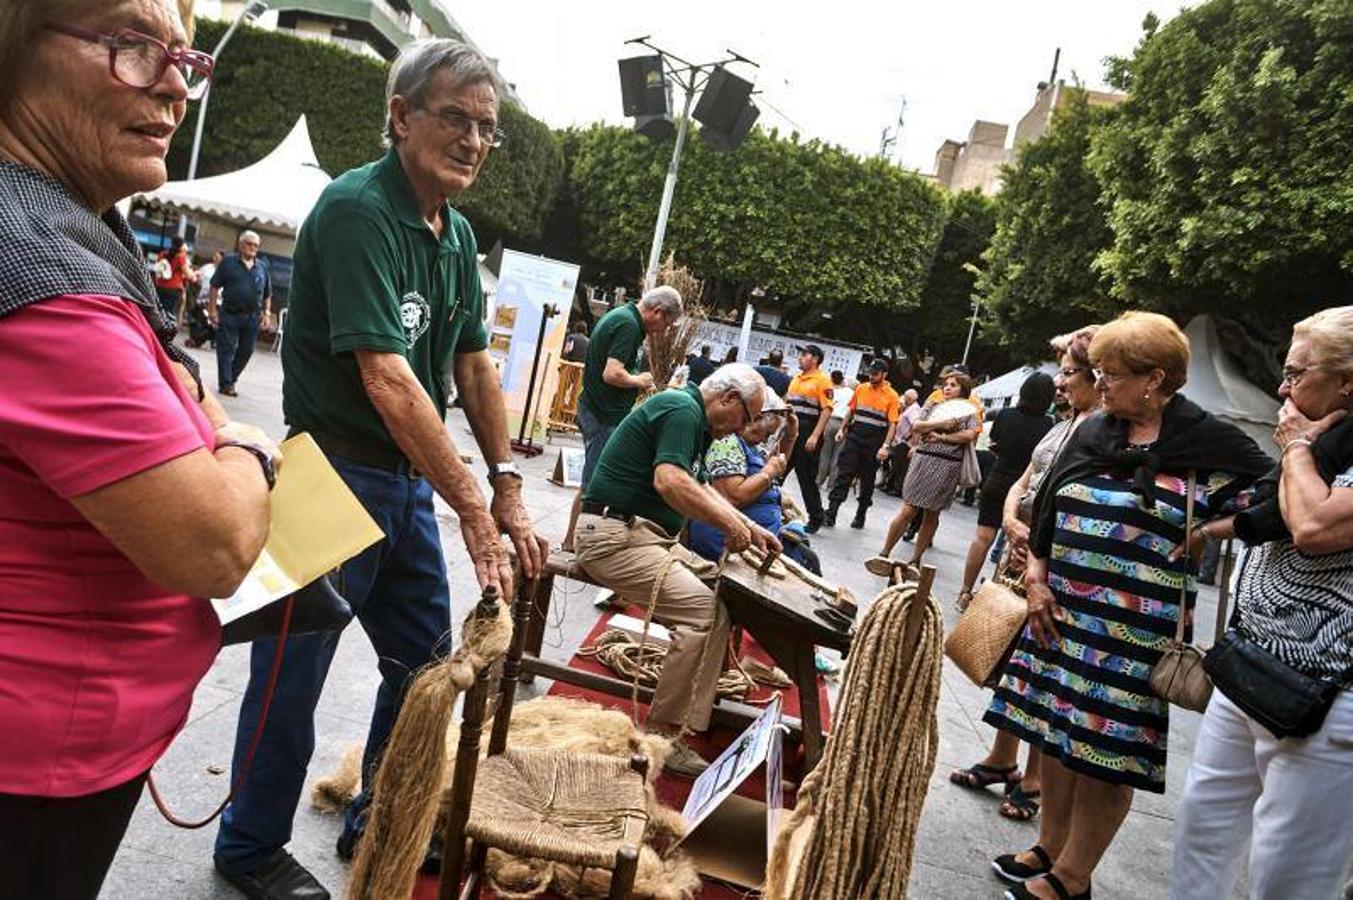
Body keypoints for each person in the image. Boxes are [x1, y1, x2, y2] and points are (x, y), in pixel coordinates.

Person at [213, 39, 548, 899]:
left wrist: (507, 483)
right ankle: (247, 847)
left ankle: (381, 814)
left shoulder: (456, 230)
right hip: (329, 473)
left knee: (427, 665)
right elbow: (387, 376)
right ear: (400, 116)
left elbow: (472, 366)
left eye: (488, 128)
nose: (473, 140)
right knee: (291, 678)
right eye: (455, 119)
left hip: (401, 484)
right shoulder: (359, 208)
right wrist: (473, 507)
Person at [0, 4, 277, 898]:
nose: (172, 84)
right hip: (36, 756)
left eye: (182, 57)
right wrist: (247, 455)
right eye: (131, 46)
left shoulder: (65, 220)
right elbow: (212, 543)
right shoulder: (34, 260)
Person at [984, 313, 1270, 900]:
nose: (1100, 383)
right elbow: (1048, 514)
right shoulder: (1095, 432)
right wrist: (1037, 581)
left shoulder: (1207, 442)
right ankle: (1050, 845)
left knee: (1104, 754)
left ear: (1155, 378)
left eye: (1111, 374)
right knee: (1058, 736)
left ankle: (1073, 876)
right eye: (1098, 371)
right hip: (1058, 616)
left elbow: (1271, 496)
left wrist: (1212, 528)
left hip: (1131, 635)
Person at [1172, 306, 1353, 900]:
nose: (1283, 386)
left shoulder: (1308, 441)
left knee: (1288, 875)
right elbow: (1275, 515)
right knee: (1203, 825)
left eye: (1298, 373)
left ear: (1347, 381)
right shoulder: (1328, 439)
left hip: (1329, 695)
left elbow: (1315, 527)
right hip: (1252, 662)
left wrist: (1297, 448)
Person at [574, 364, 781, 776]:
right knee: (705, 615)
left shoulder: (692, 417)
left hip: (641, 536)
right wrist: (731, 525)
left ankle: (692, 712)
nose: (744, 429)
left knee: (723, 595)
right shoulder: (682, 410)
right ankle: (662, 735)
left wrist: (751, 528)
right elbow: (669, 481)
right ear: (726, 399)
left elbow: (699, 486)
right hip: (614, 537)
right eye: (746, 417)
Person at [948, 327, 1100, 823]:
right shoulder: (1063, 423)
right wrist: (1012, 521)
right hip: (1019, 548)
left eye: (1070, 371)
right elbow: (1025, 479)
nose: (1060, 381)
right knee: (1009, 659)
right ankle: (1002, 758)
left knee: (1041, 666)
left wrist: (1033, 542)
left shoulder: (1101, 429)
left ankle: (1034, 777)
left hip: (1049, 560)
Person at [563, 285, 683, 549]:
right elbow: (612, 373)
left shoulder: (625, 318)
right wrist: (639, 380)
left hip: (601, 411)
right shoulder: (628, 324)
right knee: (592, 484)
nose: (664, 330)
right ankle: (572, 542)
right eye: (668, 323)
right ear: (658, 312)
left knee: (596, 481)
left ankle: (578, 539)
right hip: (602, 414)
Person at [954, 372, 1054, 608]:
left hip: (997, 479)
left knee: (982, 539)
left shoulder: (1006, 415)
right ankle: (995, 601)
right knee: (1014, 547)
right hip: (1025, 489)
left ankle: (965, 592)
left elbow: (995, 442)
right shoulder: (1049, 425)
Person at [866, 372, 980, 574]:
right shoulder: (933, 405)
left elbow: (970, 434)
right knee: (908, 509)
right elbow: (917, 425)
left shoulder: (969, 411)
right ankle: (884, 553)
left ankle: (915, 560)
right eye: (946, 384)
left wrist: (943, 438)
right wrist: (942, 425)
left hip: (948, 465)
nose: (947, 388)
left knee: (932, 513)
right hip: (923, 459)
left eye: (953, 385)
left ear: (963, 389)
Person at [688, 387, 790, 560]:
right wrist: (769, 472)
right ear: (754, 420)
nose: (765, 441)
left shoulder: (751, 446)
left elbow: (777, 464)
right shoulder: (727, 442)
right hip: (723, 540)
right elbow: (731, 496)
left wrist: (791, 437)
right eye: (766, 434)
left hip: (751, 539)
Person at [825, 359, 901, 529]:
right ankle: (831, 512)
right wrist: (841, 430)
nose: (872, 376)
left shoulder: (892, 396)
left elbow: (893, 424)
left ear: (884, 375)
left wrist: (885, 446)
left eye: (875, 373)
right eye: (870, 373)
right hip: (855, 437)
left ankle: (861, 514)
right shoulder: (860, 388)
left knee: (867, 481)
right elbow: (851, 411)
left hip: (874, 442)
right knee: (844, 473)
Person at [208, 229, 272, 396]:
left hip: (252, 317)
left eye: (256, 246)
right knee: (226, 350)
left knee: (246, 351)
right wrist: (212, 309)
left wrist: (266, 313)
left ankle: (231, 379)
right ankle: (226, 384)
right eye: (249, 244)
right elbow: (214, 286)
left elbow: (267, 294)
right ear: (241, 244)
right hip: (230, 313)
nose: (253, 248)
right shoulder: (228, 262)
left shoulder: (262, 267)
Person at [786, 344, 835, 532]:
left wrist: (815, 436)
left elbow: (827, 409)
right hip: (790, 431)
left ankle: (816, 517)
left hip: (807, 431)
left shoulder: (823, 380)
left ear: (815, 359)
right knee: (778, 471)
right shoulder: (796, 379)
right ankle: (768, 506)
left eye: (804, 355)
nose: (800, 358)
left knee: (806, 477)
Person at [880, 388, 920, 496]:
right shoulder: (910, 408)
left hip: (905, 442)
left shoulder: (914, 410)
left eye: (906, 398)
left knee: (901, 466)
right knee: (896, 464)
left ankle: (898, 489)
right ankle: (890, 485)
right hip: (901, 441)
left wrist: (909, 438)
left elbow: (915, 426)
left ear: (911, 399)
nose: (905, 399)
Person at [816, 369, 849, 489]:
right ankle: (831, 484)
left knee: (825, 453)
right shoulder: (850, 392)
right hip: (843, 424)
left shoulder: (830, 391)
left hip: (829, 421)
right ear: (843, 379)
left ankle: (819, 481)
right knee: (837, 455)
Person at [152, 233, 191, 322]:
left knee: (158, 311)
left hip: (160, 286)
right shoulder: (181, 257)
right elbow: (187, 274)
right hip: (173, 289)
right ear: (182, 245)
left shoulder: (162, 254)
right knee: (168, 313)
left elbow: (157, 268)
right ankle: (164, 332)